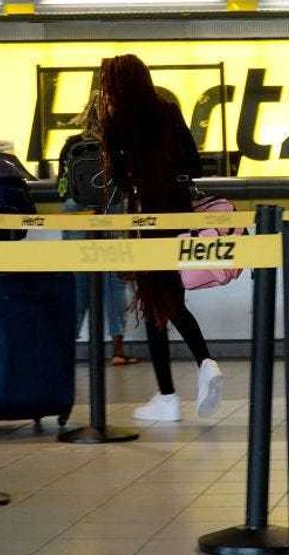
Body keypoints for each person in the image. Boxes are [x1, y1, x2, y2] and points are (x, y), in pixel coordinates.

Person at [98, 54, 223, 423]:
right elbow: (194, 164)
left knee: (158, 302)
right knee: (162, 302)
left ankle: (178, 387)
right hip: (177, 214)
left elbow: (118, 179)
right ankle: (187, 378)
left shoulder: (117, 122)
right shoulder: (168, 111)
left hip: (145, 217)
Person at [57, 93, 138, 367]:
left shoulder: (71, 144)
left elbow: (61, 186)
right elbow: (127, 183)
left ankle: (67, 347)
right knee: (113, 280)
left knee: (77, 281)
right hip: (110, 209)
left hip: (76, 212)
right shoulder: (118, 145)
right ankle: (117, 349)